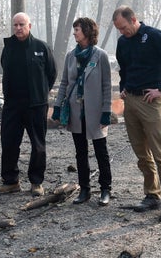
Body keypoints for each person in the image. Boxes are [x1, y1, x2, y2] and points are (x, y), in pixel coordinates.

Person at [112, 5, 161, 222]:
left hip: (150, 101)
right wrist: (123, 87)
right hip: (131, 101)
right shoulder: (123, 42)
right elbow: (123, 68)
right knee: (142, 153)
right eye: (118, 29)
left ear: (133, 19)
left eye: (124, 27)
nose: (122, 32)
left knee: (159, 152)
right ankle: (152, 195)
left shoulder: (154, 36)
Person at [0, 12, 57, 197]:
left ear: (29, 26)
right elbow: (5, 68)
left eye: (22, 25)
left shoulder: (41, 47)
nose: (18, 28)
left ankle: (36, 182)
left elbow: (51, 73)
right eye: (15, 25)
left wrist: (41, 93)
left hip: (36, 105)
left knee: (38, 144)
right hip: (12, 105)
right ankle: (10, 181)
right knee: (9, 142)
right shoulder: (9, 48)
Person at [52, 17, 112, 206]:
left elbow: (107, 86)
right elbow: (64, 83)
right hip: (76, 112)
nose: (74, 33)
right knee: (80, 152)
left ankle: (105, 189)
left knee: (101, 151)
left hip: (95, 111)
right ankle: (84, 189)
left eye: (77, 29)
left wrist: (106, 111)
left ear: (87, 31)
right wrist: (57, 105)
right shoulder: (71, 56)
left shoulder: (100, 56)